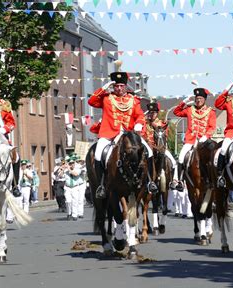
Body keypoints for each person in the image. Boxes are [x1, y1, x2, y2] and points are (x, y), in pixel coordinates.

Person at [88, 66, 157, 199]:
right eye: (116, 86)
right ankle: (101, 185)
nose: (119, 88)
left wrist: (138, 124)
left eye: (121, 86)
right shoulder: (106, 98)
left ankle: (150, 182)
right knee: (97, 154)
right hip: (109, 133)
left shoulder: (133, 100)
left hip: (130, 134)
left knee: (148, 150)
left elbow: (140, 116)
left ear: (125, 86)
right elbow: (92, 101)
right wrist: (104, 88)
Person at [173, 87, 216, 189]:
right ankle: (180, 181)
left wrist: (205, 136)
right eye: (197, 98)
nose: (198, 100)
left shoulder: (211, 112)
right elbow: (176, 112)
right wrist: (184, 102)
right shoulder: (189, 110)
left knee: (214, 157)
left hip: (204, 141)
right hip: (190, 141)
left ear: (204, 99)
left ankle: (214, 179)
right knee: (181, 157)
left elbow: (212, 127)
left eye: (200, 98)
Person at [143, 101, 177, 182]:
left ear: (157, 113)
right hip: (147, 148)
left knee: (173, 162)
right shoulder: (144, 123)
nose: (151, 115)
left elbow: (165, 136)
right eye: (150, 113)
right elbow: (142, 135)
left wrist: (156, 126)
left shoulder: (162, 124)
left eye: (153, 113)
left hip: (160, 148)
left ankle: (175, 181)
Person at [64, 154, 84, 221]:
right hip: (67, 187)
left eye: (73, 163)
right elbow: (59, 175)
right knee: (68, 201)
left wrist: (69, 169)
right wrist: (62, 168)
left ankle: (74, 215)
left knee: (75, 201)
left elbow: (75, 174)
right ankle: (69, 213)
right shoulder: (66, 169)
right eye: (70, 163)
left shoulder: (78, 169)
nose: (72, 164)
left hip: (75, 187)